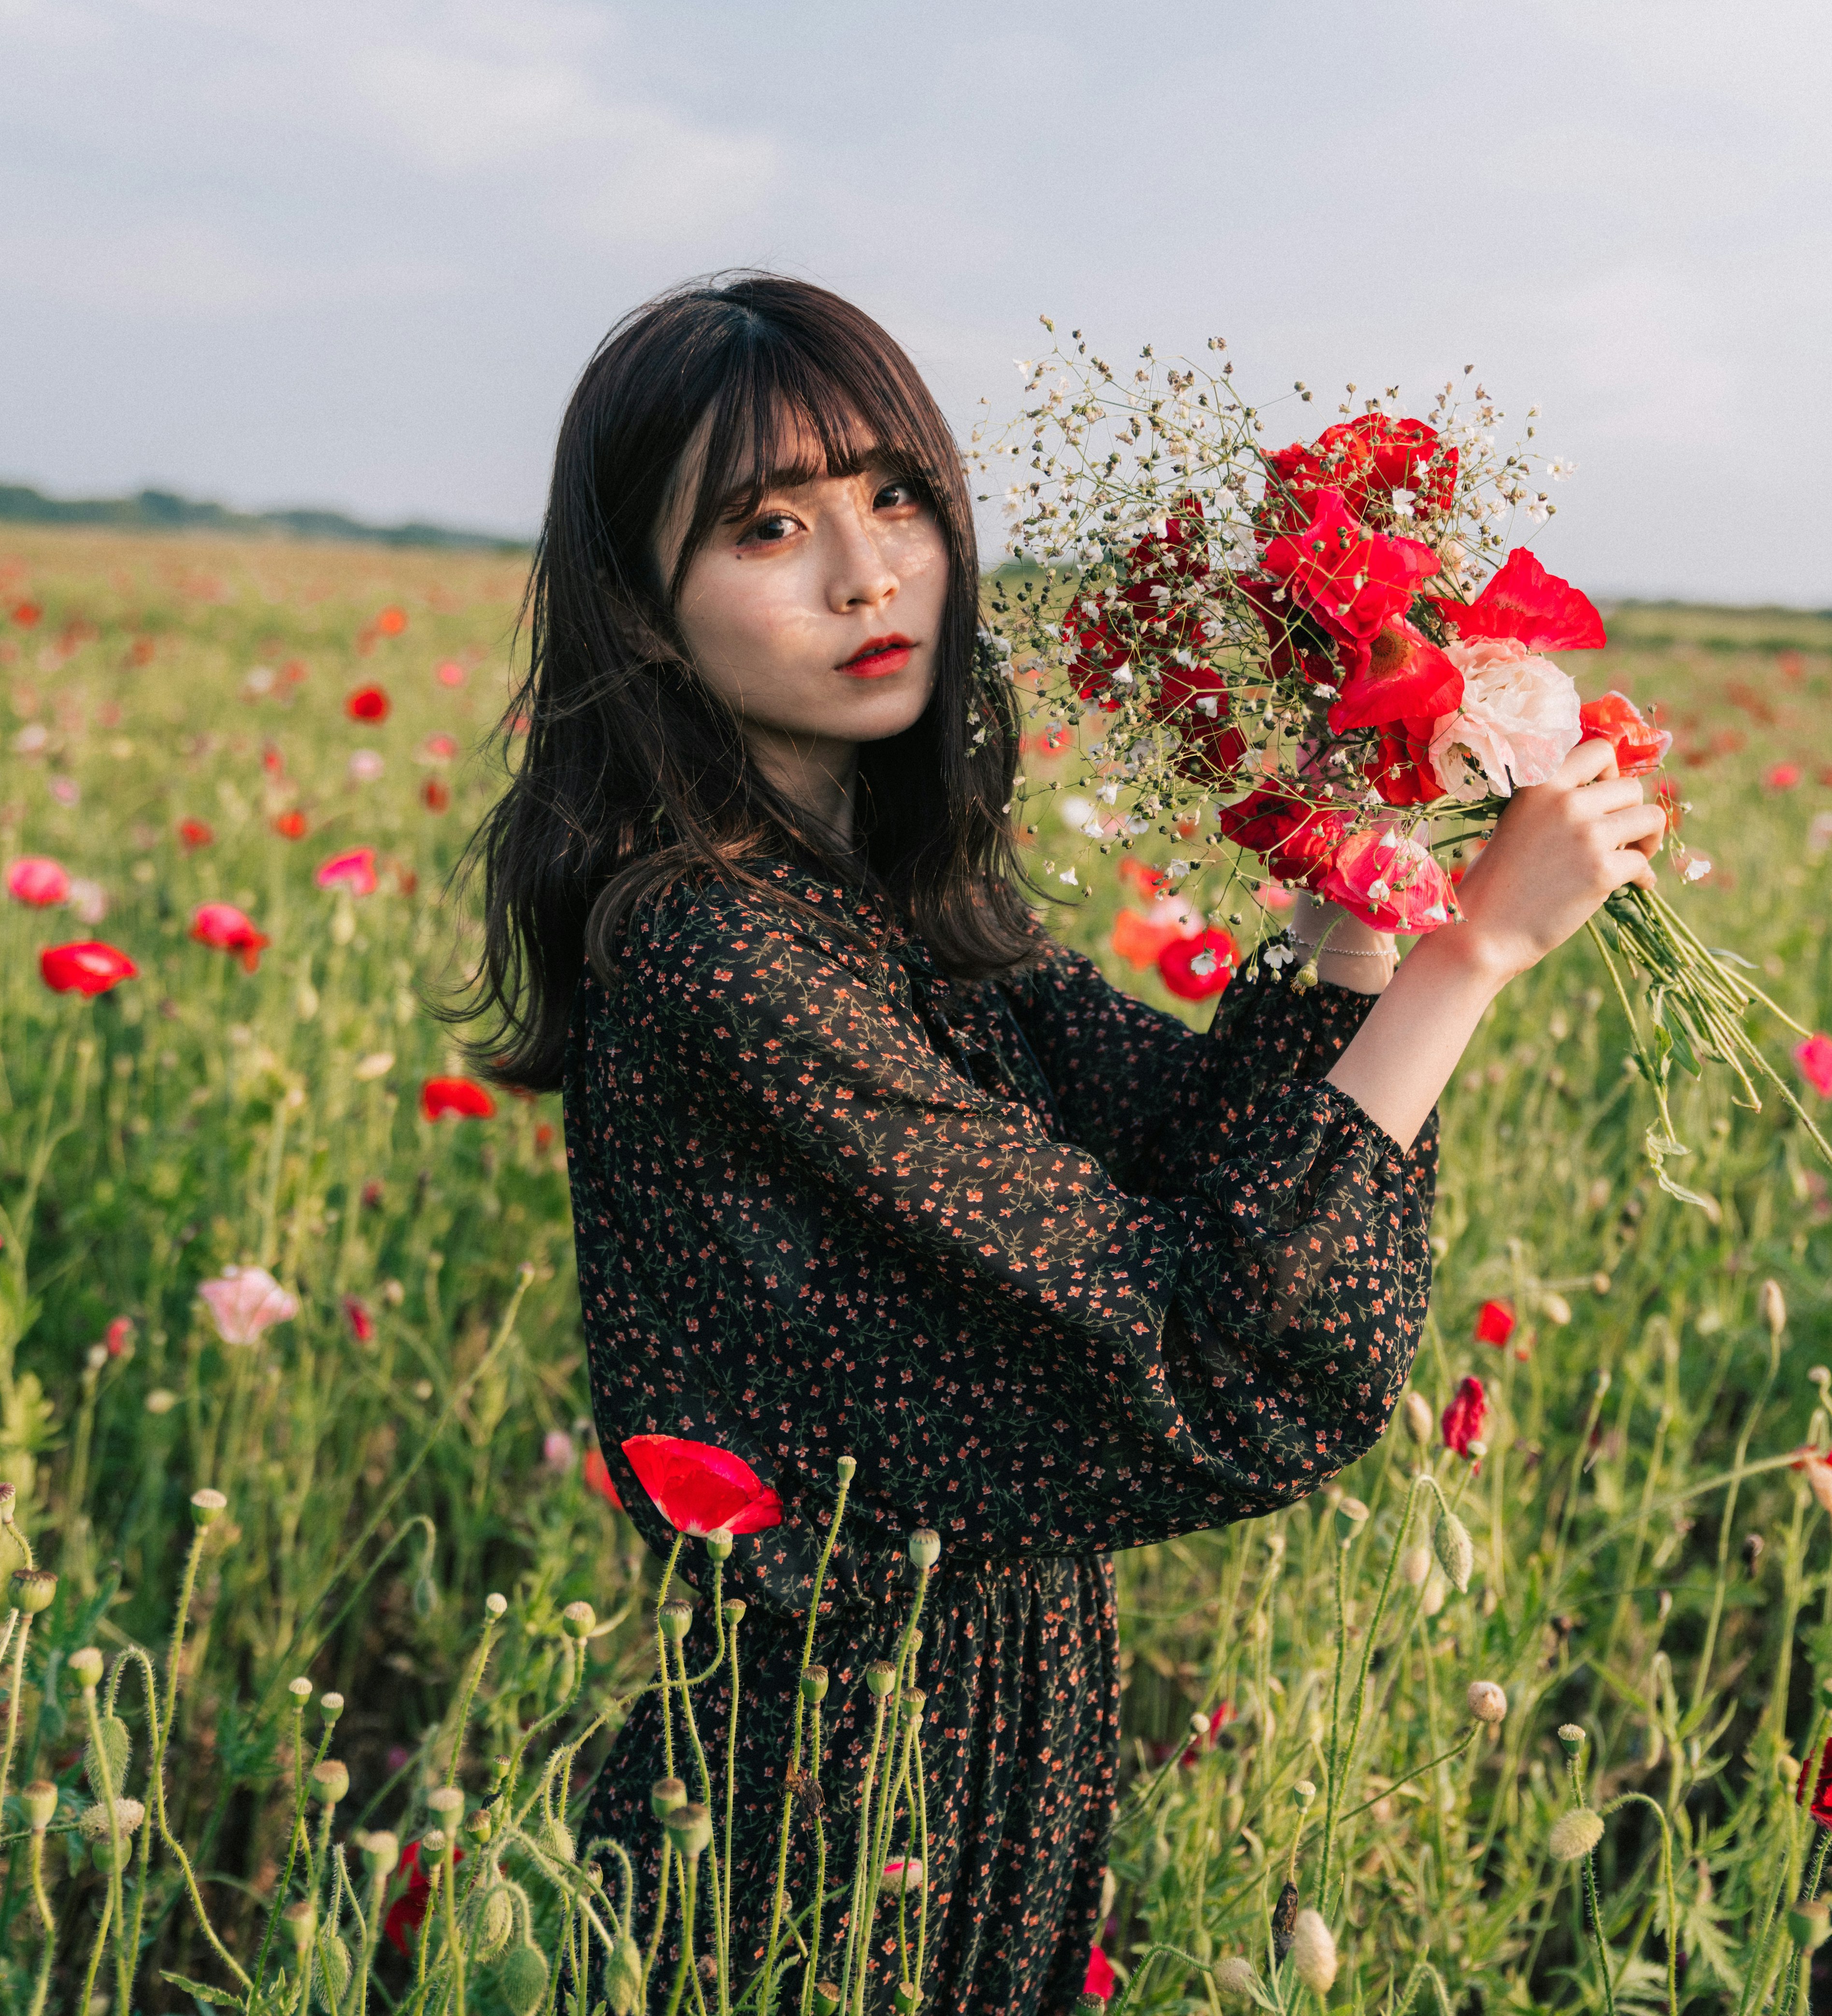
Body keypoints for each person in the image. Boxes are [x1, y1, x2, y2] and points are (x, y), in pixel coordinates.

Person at [463, 274, 1663, 2015]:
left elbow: (1196, 1153)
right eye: (764, 528)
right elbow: (1207, 1338)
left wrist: (1356, 889)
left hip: (963, 1768)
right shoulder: (714, 944)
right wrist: (1468, 952)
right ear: (641, 609)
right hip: (828, 1825)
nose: (865, 575)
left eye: (895, 500)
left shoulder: (884, 896)